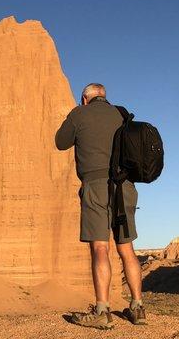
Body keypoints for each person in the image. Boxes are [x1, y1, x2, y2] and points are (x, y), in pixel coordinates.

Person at [55, 83, 146, 329]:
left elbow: (61, 142)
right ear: (104, 97)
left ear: (85, 99)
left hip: (96, 184)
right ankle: (138, 307)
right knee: (127, 249)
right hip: (125, 187)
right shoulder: (122, 113)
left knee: (100, 249)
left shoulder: (79, 113)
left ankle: (102, 311)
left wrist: (74, 116)